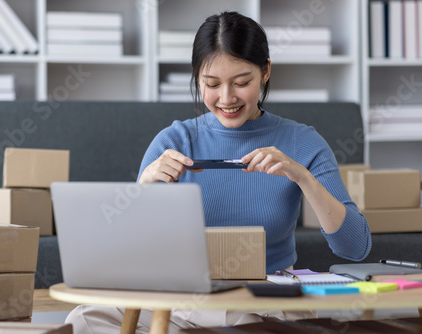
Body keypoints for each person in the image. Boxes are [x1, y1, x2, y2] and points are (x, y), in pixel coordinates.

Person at [66, 11, 372, 334]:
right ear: (197, 78)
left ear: (265, 71)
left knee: (245, 325)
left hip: (260, 301)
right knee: (83, 320)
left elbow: (355, 246)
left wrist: (303, 178)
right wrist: (142, 189)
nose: (227, 99)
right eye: (211, 85)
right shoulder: (173, 142)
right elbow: (123, 256)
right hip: (180, 300)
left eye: (242, 83)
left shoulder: (303, 142)